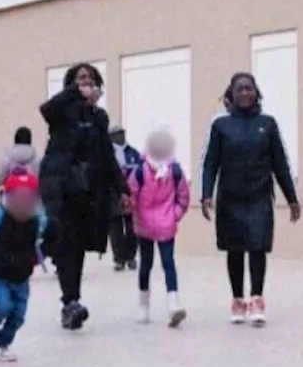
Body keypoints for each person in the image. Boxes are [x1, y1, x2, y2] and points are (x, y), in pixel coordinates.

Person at [201, 73, 300, 326]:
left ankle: (256, 299)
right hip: (230, 198)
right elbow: (211, 162)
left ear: (256, 92)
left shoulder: (268, 124)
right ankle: (237, 300)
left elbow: (280, 163)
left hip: (259, 196)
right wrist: (206, 194)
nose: (245, 93)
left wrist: (292, 199)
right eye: (239, 89)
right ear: (231, 94)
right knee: (234, 250)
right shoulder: (220, 125)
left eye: (249, 88)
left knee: (258, 247)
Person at [38, 63, 130, 331]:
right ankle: (70, 302)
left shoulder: (99, 117)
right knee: (65, 245)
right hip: (61, 189)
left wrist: (123, 188)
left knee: (78, 249)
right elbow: (46, 109)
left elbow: (107, 155)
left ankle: (71, 300)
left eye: (90, 78)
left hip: (89, 192)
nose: (85, 81)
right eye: (80, 78)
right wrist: (73, 94)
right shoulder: (63, 111)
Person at [0, 170, 58, 362]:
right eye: (18, 197)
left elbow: (53, 235)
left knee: (18, 315)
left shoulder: (38, 222)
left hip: (22, 276)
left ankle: (2, 345)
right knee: (3, 305)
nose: (22, 204)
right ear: (6, 197)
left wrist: (46, 252)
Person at [128, 127, 190, 327]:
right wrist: (133, 211)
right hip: (144, 225)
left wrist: (175, 215)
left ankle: (173, 304)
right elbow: (132, 196)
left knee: (168, 263)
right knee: (145, 264)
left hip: (166, 224)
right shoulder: (140, 171)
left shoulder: (174, 171)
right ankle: (143, 305)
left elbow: (183, 197)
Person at [108, 126, 143, 271]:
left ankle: (131, 256)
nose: (121, 137)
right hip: (113, 194)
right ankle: (119, 258)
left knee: (132, 227)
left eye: (122, 133)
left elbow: (141, 171)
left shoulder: (133, 152)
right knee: (115, 227)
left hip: (131, 194)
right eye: (117, 134)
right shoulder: (107, 154)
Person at [0, 126, 39, 196]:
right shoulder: (36, 158)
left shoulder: (7, 158)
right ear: (30, 140)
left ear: (15, 140)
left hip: (10, 198)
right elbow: (40, 179)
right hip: (30, 198)